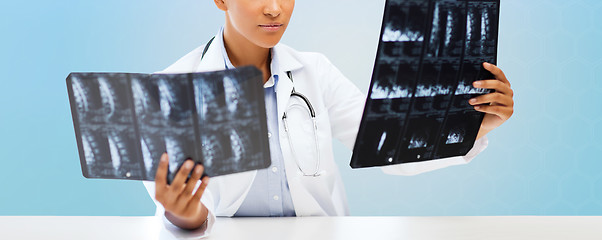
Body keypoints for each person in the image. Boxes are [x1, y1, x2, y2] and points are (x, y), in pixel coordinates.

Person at [143, 0, 515, 234]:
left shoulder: (314, 71)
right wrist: (184, 217)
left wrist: (471, 126)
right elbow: (180, 210)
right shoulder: (170, 89)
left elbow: (389, 148)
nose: (275, 9)